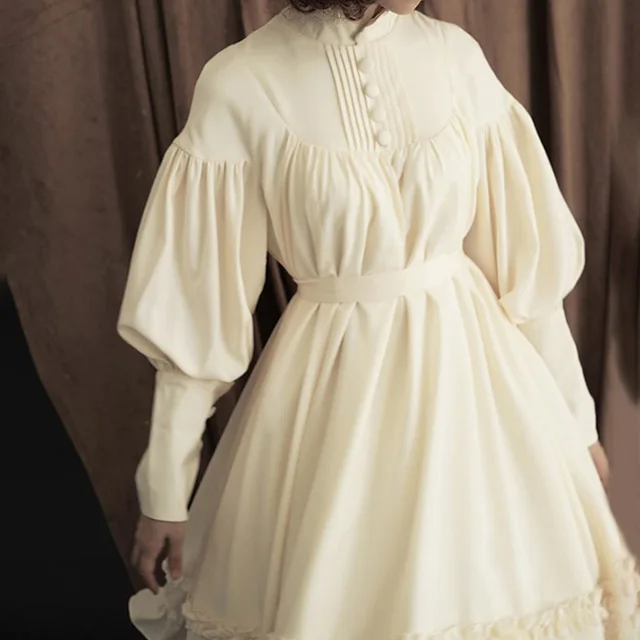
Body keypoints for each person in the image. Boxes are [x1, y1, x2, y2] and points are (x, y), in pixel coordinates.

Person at [117, 0, 640, 638]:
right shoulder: (240, 82)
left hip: (482, 403)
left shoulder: (455, 58)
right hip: (334, 417)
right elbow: (198, 312)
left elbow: (525, 280)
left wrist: (576, 425)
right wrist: (165, 491)